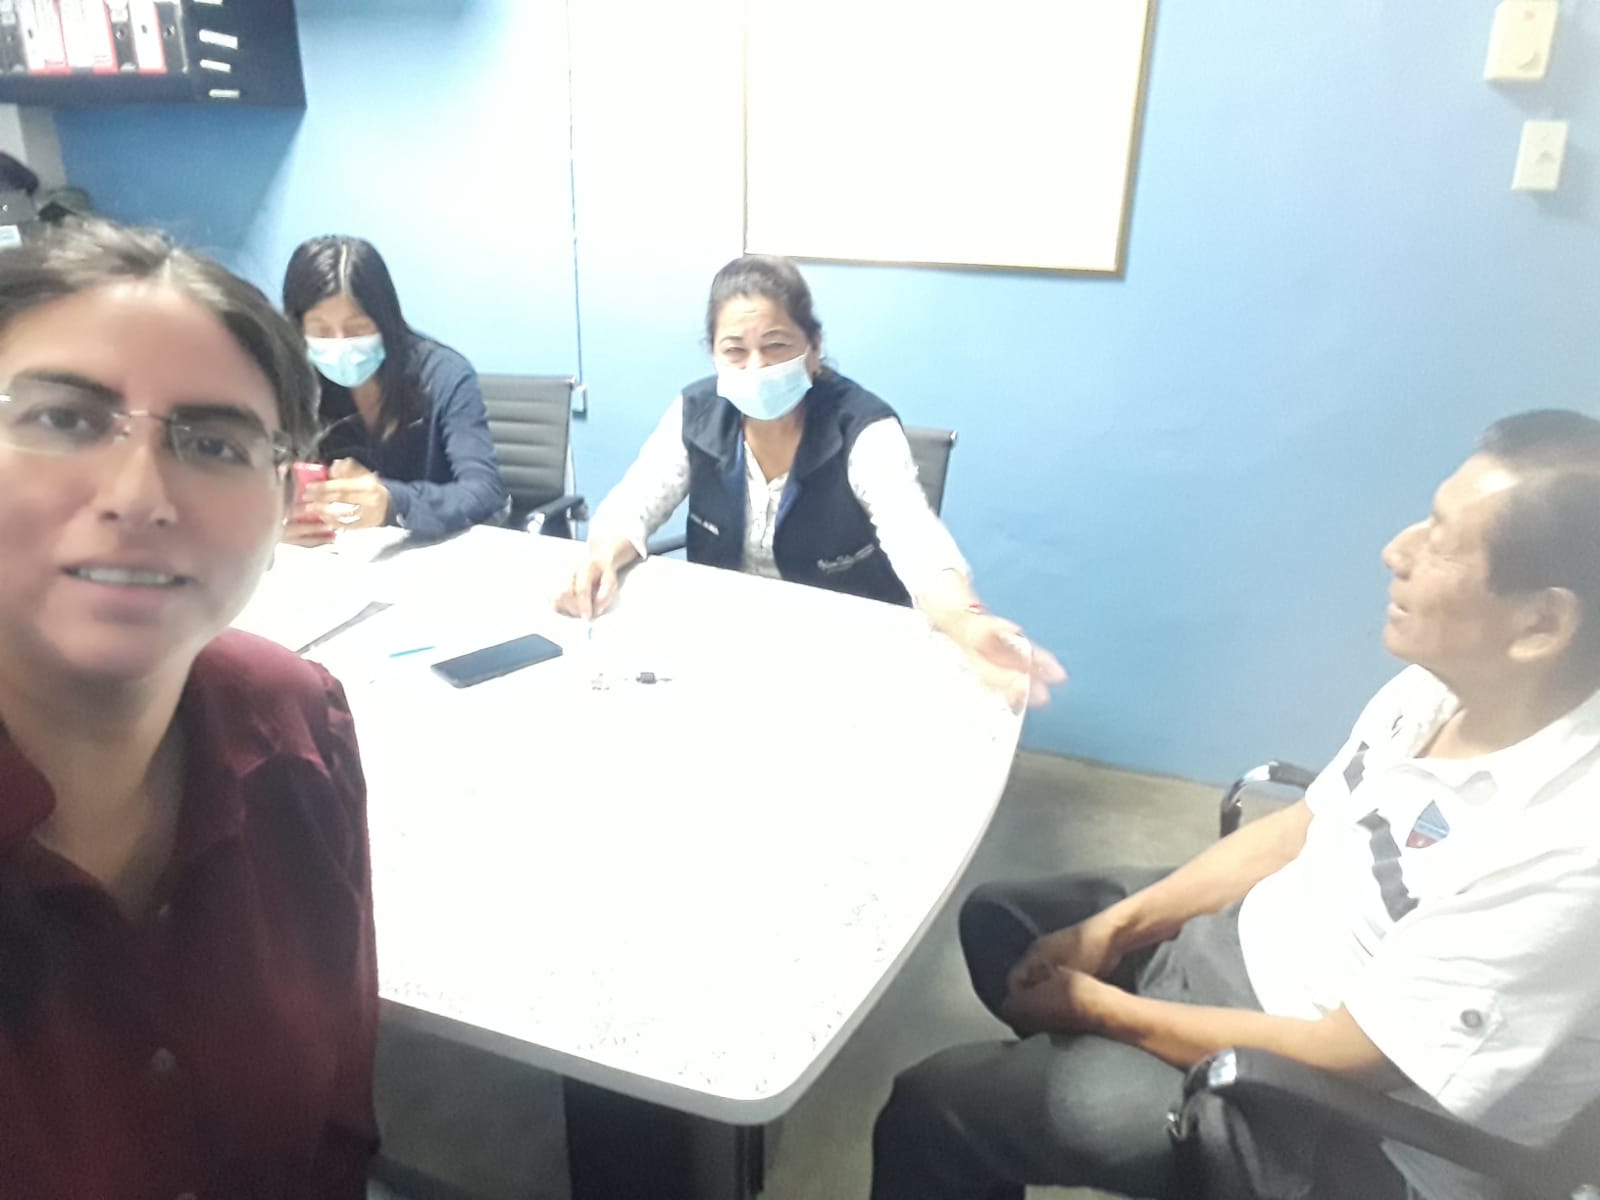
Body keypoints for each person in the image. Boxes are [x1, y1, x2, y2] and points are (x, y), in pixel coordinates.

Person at [871, 409, 1600, 1200]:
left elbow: (1349, 1055)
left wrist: (1101, 1011)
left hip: (1339, 1127)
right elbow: (1302, 828)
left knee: (932, 1110)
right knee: (1002, 925)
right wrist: (1115, 929)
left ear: (1541, 622)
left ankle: (1069, 1104)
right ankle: (1075, 1093)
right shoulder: (1440, 689)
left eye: (1443, 542)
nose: (1397, 551)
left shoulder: (1570, 848)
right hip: (1259, 961)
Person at [0, 221, 379, 1197]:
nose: (139, 496)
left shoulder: (298, 722)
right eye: (63, 419)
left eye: (213, 442)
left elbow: (337, 1125)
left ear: (285, 500)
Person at [556, 254, 1063, 707]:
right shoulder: (696, 412)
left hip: (846, 649)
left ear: (813, 348)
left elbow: (914, 535)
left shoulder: (861, 427)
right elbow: (636, 502)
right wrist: (601, 557)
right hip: (727, 640)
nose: (756, 367)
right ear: (713, 353)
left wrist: (964, 620)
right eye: (735, 350)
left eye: (776, 345)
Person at [281, 235, 507, 544]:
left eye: (357, 328)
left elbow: (484, 491)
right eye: (320, 330)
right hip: (333, 554)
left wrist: (394, 502)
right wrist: (274, 520)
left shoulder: (444, 374)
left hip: (435, 550)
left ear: (385, 320)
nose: (340, 343)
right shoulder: (297, 382)